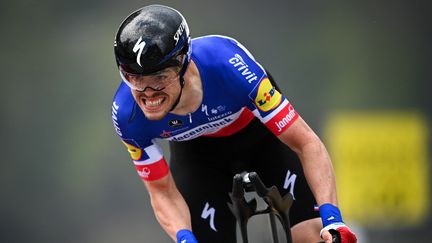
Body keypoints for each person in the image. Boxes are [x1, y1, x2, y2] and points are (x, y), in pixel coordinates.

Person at [111, 4, 357, 243]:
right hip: (199, 158)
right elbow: (161, 191)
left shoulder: (230, 65)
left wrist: (332, 220)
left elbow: (306, 144)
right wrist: (185, 239)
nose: (147, 93)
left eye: (160, 78)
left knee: (312, 236)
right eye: (133, 78)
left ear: (184, 63)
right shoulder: (127, 114)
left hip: (261, 138)